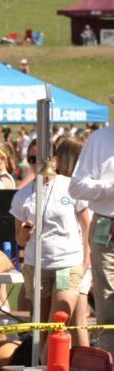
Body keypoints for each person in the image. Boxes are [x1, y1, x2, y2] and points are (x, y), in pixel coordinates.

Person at [12, 138, 89, 361]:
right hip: (38, 266)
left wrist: (86, 259)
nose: (37, 163)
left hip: (67, 263)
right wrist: (26, 232)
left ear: (54, 161)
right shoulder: (22, 195)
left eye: (42, 158)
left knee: (58, 322)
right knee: (43, 326)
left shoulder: (71, 186)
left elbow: (86, 225)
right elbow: (18, 238)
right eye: (32, 159)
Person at [69, 122, 114, 354]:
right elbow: (76, 187)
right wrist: (109, 187)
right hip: (106, 225)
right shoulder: (99, 139)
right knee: (107, 304)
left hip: (105, 224)